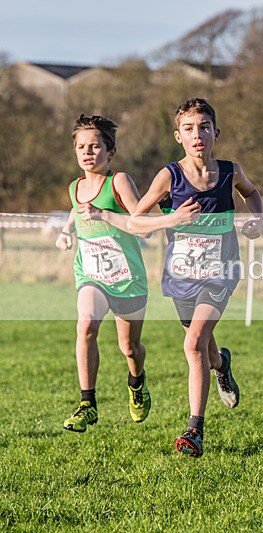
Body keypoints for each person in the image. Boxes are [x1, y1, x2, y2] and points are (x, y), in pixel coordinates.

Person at [129, 97, 263, 458]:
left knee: (192, 346)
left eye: (204, 126)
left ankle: (195, 430)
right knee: (203, 347)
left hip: (220, 273)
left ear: (216, 133)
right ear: (179, 136)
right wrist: (169, 220)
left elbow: (252, 194)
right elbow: (134, 222)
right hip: (182, 277)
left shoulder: (230, 171)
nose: (197, 134)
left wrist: (257, 219)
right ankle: (223, 364)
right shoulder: (168, 176)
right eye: (189, 128)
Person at [56, 114, 150, 433]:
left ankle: (136, 383)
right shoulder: (75, 187)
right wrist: (67, 230)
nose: (87, 152)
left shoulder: (118, 181)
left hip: (127, 279)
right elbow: (75, 208)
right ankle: (88, 403)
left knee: (130, 348)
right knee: (86, 326)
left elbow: (143, 226)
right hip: (91, 275)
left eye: (95, 146)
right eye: (81, 146)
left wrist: (104, 215)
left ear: (110, 152)